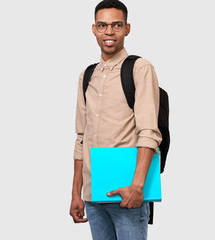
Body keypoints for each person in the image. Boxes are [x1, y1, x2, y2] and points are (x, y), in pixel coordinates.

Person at [69, 0, 162, 239]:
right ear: (94, 29)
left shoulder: (140, 68)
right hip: (93, 196)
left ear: (127, 28)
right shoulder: (86, 75)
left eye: (116, 25)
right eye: (102, 25)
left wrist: (138, 187)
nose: (109, 32)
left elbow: (149, 132)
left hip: (127, 195)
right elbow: (82, 137)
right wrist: (76, 193)